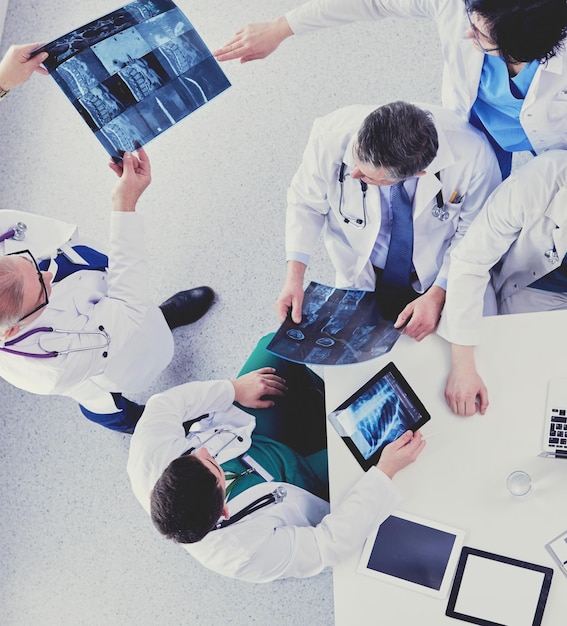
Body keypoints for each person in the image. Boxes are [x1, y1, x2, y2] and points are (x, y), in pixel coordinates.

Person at [127, 334, 425, 582]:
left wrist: (233, 389)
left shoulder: (147, 457)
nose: (204, 451)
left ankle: (319, 392)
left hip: (246, 434)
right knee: (379, 442)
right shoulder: (241, 555)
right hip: (297, 478)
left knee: (278, 344)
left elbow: (164, 405)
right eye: (213, 467)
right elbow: (329, 545)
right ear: (224, 512)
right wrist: (384, 472)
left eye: (193, 455)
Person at [214, 0, 567, 178]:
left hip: (557, 133)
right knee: (476, 194)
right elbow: (373, 2)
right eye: (470, 22)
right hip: (477, 119)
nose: (465, 34)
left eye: (481, 38)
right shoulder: (462, 5)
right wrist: (281, 27)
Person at [0, 147, 214, 433]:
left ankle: (164, 316)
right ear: (10, 331)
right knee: (109, 404)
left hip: (101, 291)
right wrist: (123, 206)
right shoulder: (51, 365)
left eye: (30, 262)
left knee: (138, 312)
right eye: (41, 292)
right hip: (100, 365)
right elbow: (127, 308)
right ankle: (147, 425)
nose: (49, 273)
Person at [276, 101, 501, 342]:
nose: (353, 174)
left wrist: (439, 292)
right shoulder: (330, 134)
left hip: (440, 269)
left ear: (417, 175)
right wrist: (294, 279)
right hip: (363, 267)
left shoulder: (473, 155)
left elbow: (473, 234)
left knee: (457, 347)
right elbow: (305, 203)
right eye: (355, 161)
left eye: (368, 176)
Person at [438, 150, 567, 416]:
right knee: (511, 374)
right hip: (538, 285)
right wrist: (463, 365)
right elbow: (470, 262)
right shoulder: (535, 185)